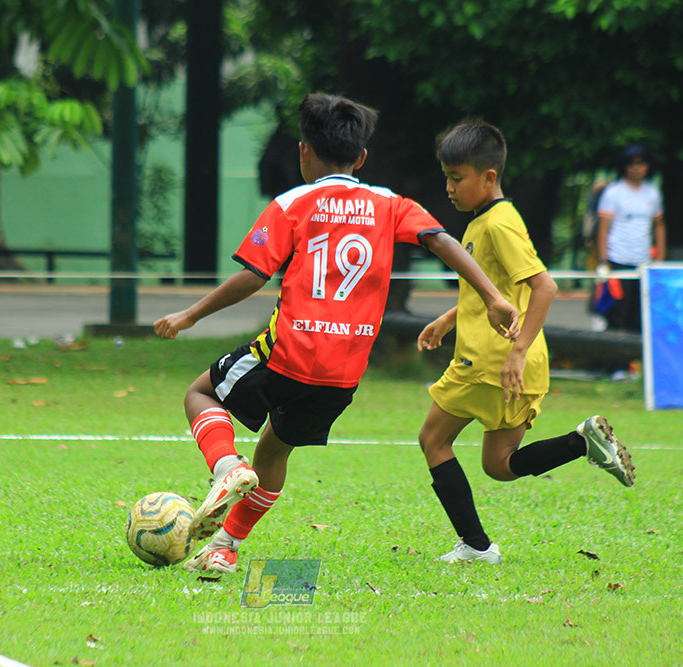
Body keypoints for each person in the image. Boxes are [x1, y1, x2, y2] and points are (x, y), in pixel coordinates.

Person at [153, 93, 521, 574]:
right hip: (343, 372)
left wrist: (190, 315)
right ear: (362, 158)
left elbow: (252, 275)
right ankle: (224, 546)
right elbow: (442, 240)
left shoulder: (292, 203)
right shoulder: (390, 204)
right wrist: (493, 295)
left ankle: (226, 469)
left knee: (200, 394)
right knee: (275, 448)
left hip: (290, 350)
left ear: (303, 151)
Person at [416, 119, 635, 565]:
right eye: (446, 178)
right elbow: (499, 291)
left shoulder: (497, 224)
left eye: (457, 178)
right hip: (520, 365)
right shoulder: (489, 221)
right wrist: (448, 317)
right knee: (499, 464)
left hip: (491, 361)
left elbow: (545, 287)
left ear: (488, 177)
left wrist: (514, 353)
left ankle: (477, 547)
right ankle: (581, 441)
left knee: (433, 441)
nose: (450, 188)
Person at [595, 143, 666, 331]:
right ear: (624, 167)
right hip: (617, 261)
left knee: (639, 316)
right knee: (617, 316)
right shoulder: (613, 193)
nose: (636, 167)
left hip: (643, 263)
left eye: (641, 163)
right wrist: (603, 261)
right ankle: (613, 361)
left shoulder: (653, 193)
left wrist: (659, 258)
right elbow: (603, 229)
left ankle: (635, 360)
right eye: (631, 163)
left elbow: (659, 225)